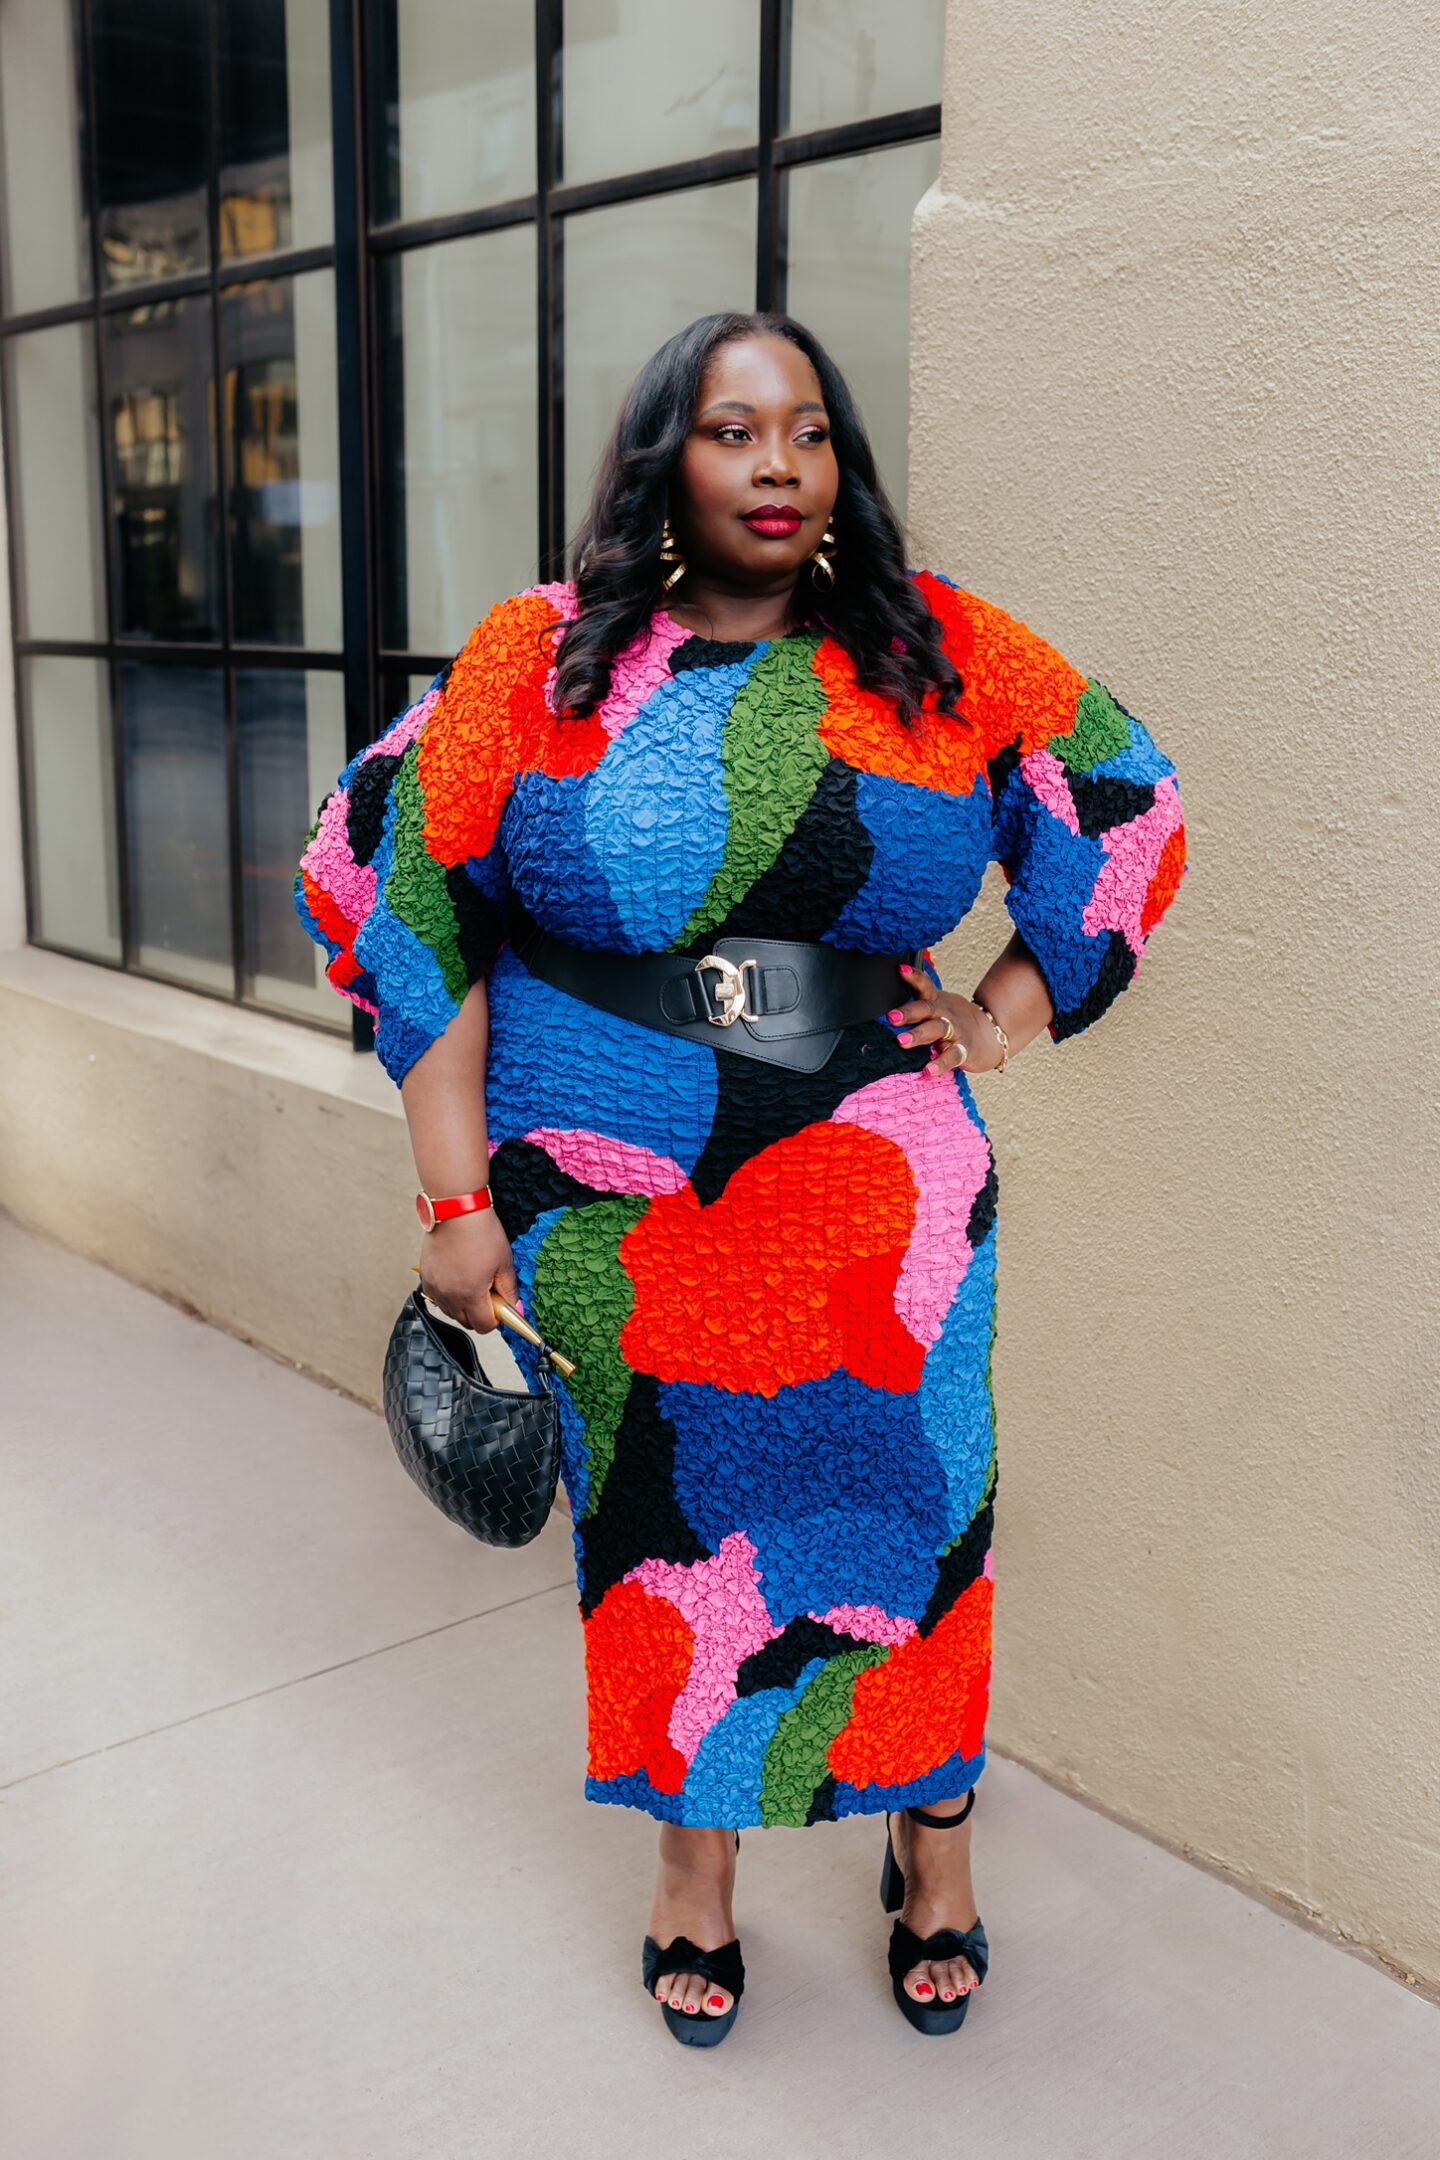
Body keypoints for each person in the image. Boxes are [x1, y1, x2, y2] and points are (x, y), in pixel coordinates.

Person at [294, 310, 1187, 2046]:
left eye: (809, 431)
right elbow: (394, 888)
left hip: (883, 1187)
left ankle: (935, 1841)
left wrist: (1006, 1011)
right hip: (615, 1184)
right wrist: (448, 1195)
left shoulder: (932, 653)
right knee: (664, 1536)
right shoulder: (542, 664)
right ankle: (692, 1877)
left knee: (922, 1517)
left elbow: (1126, 798)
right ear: (662, 462)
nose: (776, 462)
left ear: (839, 466)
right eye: (731, 429)